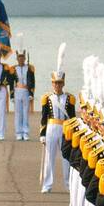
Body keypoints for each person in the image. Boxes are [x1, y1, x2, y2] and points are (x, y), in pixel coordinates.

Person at [39, 45, 74, 192]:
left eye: (60, 83)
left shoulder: (70, 98)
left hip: (65, 129)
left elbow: (72, 117)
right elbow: (43, 117)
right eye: (55, 83)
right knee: (49, 158)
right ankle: (47, 185)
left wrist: (73, 134)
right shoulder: (47, 98)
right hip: (51, 127)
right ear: (52, 83)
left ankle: (68, 185)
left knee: (67, 159)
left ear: (63, 83)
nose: (57, 85)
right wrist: (42, 133)